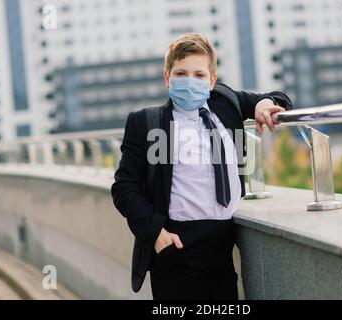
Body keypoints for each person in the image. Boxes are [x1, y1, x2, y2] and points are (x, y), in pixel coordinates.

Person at [111, 33, 292, 300]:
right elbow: (124, 188)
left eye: (198, 75)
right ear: (167, 78)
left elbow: (277, 97)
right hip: (178, 245)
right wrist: (156, 233)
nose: (189, 81)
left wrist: (267, 103)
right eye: (180, 73)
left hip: (224, 243)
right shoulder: (145, 123)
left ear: (211, 81)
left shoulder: (226, 103)